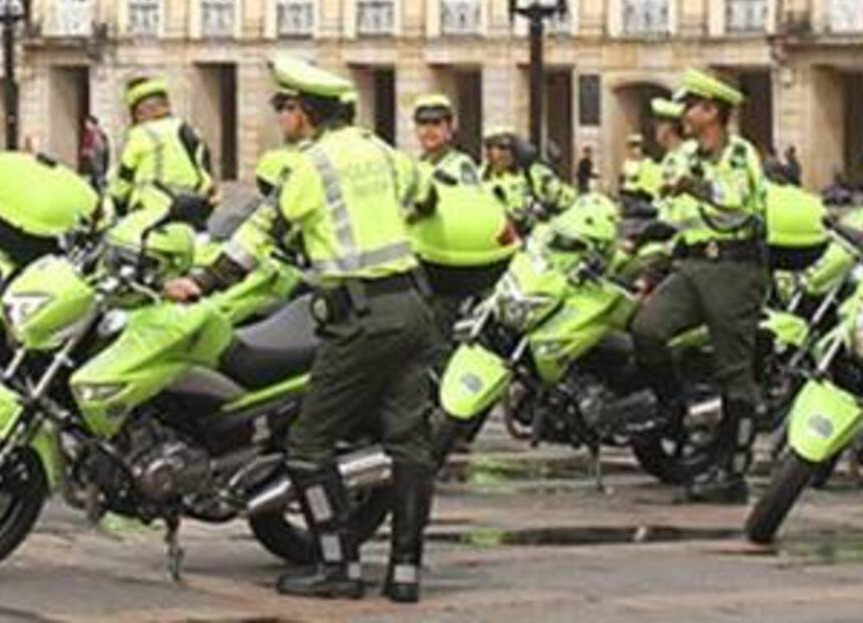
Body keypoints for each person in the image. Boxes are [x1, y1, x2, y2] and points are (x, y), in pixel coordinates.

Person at [164, 56, 437, 603]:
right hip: (411, 306)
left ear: (305, 112)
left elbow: (258, 234)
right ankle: (404, 573)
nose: (279, 117)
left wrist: (199, 282)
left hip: (359, 319)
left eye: (283, 107)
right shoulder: (381, 151)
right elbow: (424, 198)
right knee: (409, 445)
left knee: (308, 447)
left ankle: (339, 568)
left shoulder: (308, 167)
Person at [630, 68, 768, 505]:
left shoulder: (741, 154)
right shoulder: (684, 156)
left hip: (733, 267)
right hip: (690, 266)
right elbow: (672, 217)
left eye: (692, 106)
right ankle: (674, 407)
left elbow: (735, 200)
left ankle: (732, 468)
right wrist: (650, 264)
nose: (684, 113)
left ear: (713, 111)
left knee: (733, 370)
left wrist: (694, 184)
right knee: (648, 329)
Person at [408, 94, 515, 367]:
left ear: (449, 127)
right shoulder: (418, 165)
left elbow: (469, 208)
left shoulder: (460, 166)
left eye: (436, 123)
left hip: (450, 264)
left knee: (439, 339)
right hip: (421, 257)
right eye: (422, 124)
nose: (428, 130)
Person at [108, 77, 217, 222]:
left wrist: (117, 200)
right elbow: (206, 174)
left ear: (141, 111)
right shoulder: (189, 131)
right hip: (189, 210)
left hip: (149, 212)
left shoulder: (140, 134)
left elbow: (124, 178)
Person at [481, 124, 576, 232]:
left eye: (503, 147)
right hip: (493, 238)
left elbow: (567, 199)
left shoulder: (533, 174)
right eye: (489, 146)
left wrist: (543, 210)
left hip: (533, 239)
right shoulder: (478, 176)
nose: (494, 153)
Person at [79, 115, 111, 189]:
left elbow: (99, 150)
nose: (86, 125)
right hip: (93, 164)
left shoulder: (96, 135)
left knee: (98, 181)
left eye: (87, 123)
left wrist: (88, 152)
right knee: (94, 181)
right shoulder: (91, 134)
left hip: (96, 164)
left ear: (93, 124)